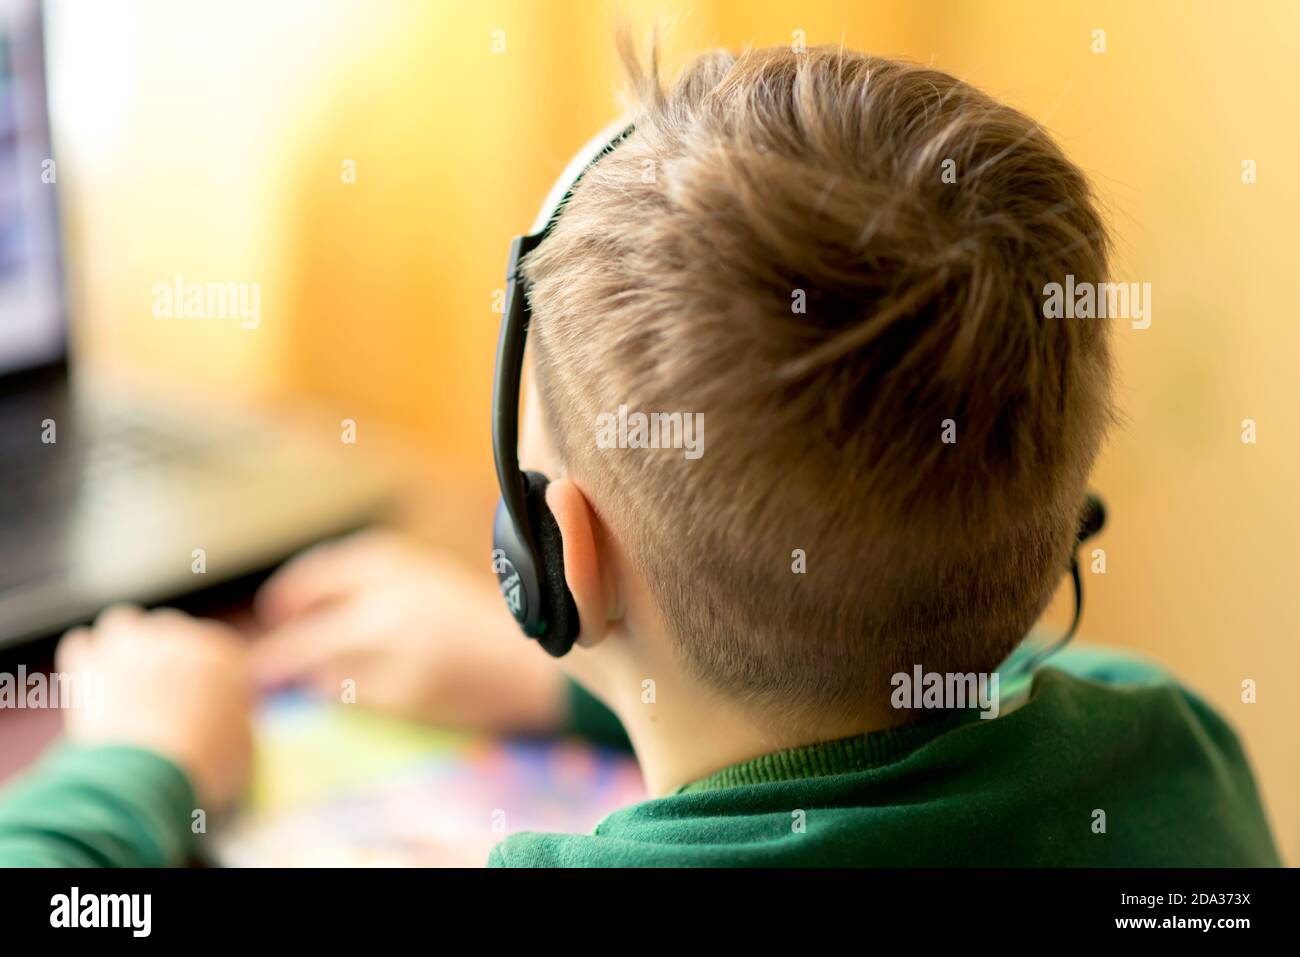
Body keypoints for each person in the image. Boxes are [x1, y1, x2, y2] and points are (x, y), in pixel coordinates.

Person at [0, 40, 1279, 867]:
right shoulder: (1170, 754)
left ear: (554, 562)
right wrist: (570, 689)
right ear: (1058, 518)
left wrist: (136, 766)